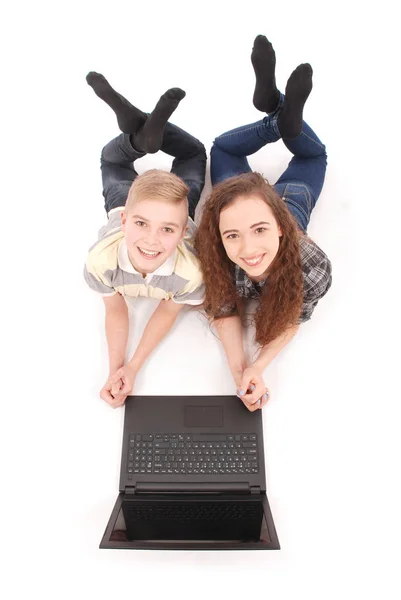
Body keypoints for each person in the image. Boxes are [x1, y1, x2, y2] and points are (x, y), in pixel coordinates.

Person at [195, 35, 332, 412]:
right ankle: (279, 112)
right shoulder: (218, 244)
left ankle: (275, 114)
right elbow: (225, 308)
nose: (248, 250)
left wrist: (257, 365)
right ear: (220, 235)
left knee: (224, 149)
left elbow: (294, 316)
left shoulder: (312, 267)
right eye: (232, 236)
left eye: (259, 231)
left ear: (281, 227)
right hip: (247, 201)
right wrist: (245, 370)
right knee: (310, 152)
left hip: (290, 204)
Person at [84, 73, 206, 408]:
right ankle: (143, 132)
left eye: (168, 230)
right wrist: (115, 369)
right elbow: (116, 309)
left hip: (153, 202)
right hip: (133, 198)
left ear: (184, 232)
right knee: (193, 154)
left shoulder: (192, 273)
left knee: (113, 159)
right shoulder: (100, 262)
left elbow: (167, 313)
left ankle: (139, 137)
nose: (152, 240)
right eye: (140, 224)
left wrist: (131, 368)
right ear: (123, 220)